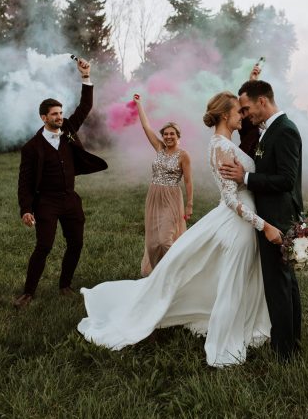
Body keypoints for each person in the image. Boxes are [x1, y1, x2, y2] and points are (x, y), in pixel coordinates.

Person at [78, 91, 281, 367]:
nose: (241, 116)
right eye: (237, 112)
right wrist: (265, 225)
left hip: (241, 217)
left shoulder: (223, 143)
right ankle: (225, 342)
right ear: (225, 115)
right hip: (240, 222)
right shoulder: (220, 146)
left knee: (229, 276)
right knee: (232, 281)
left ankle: (248, 321)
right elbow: (232, 199)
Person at [220, 80, 304, 361]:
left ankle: (284, 352)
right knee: (284, 281)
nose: (245, 115)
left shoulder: (285, 131)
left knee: (278, 285)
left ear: (262, 102)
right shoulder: (270, 131)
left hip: (277, 217)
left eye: (246, 108)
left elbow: (287, 180)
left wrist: (244, 178)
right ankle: (291, 340)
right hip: (272, 214)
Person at [14, 57, 108, 308]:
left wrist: (85, 77)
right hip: (46, 201)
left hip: (70, 199)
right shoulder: (32, 147)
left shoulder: (68, 129)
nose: (59, 116)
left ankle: (65, 285)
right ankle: (28, 293)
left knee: (76, 243)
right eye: (54, 114)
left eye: (60, 113)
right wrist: (25, 209)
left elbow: (85, 107)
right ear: (44, 117)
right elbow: (24, 182)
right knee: (44, 245)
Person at [132, 93, 193, 276]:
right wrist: (139, 104)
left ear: (178, 136)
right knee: (152, 243)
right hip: (154, 196)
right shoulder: (159, 148)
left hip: (172, 198)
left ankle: (174, 273)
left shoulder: (184, 155)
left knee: (165, 241)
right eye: (165, 134)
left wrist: (189, 204)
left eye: (171, 134)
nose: (168, 137)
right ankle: (157, 274)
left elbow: (188, 181)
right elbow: (145, 126)